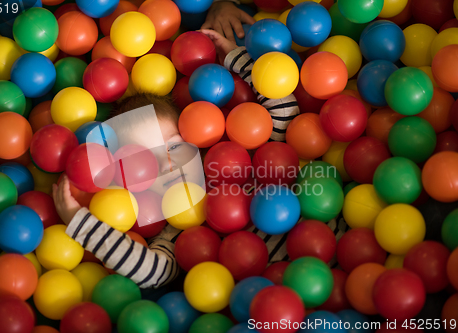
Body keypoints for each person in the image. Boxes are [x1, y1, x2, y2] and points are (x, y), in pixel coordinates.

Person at [53, 31, 346, 289]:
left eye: (173, 147)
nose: (166, 164)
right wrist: (78, 222)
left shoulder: (247, 162)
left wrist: (233, 55)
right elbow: (152, 272)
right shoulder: (179, 230)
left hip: (342, 246)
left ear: (193, 138)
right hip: (281, 298)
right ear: (131, 182)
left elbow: (283, 110)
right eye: (144, 162)